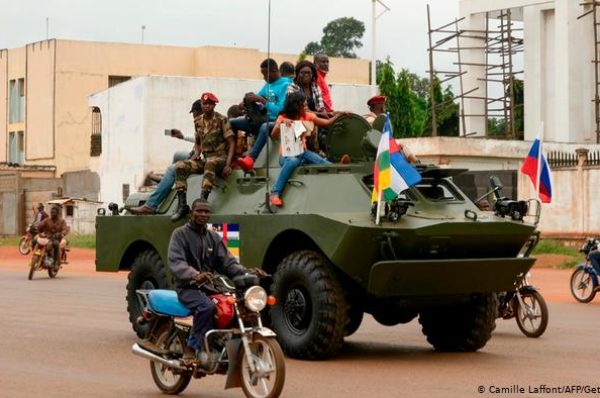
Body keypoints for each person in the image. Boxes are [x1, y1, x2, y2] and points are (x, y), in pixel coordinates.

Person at [167, 199, 266, 365]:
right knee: (207, 307)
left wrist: (248, 272)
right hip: (187, 287)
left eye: (207, 212)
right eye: (199, 211)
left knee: (235, 306)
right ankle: (191, 349)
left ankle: (219, 345)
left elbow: (228, 263)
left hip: (209, 286)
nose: (203, 215)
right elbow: (176, 262)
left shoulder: (213, 237)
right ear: (192, 213)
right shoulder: (180, 234)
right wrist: (194, 275)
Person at [129, 99, 203, 215]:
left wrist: (194, 157)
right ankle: (165, 181)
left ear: (199, 112)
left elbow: (208, 145)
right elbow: (198, 141)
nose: (193, 117)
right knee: (178, 155)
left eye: (194, 113)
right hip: (196, 154)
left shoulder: (208, 124)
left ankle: (151, 205)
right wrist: (182, 136)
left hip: (204, 159)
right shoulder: (202, 124)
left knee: (172, 169)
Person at [269, 92, 342, 207]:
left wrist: (340, 115)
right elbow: (273, 135)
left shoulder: (307, 115)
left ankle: (341, 168)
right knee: (293, 161)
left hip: (302, 153)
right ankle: (274, 193)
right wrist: (281, 123)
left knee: (321, 161)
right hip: (286, 156)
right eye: (304, 105)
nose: (306, 107)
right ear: (296, 106)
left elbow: (326, 123)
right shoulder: (283, 117)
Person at [171, 92, 236, 222]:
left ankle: (202, 203)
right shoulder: (197, 121)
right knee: (180, 166)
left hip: (220, 158)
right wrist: (196, 153)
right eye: (204, 103)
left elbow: (231, 142)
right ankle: (183, 206)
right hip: (205, 158)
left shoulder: (221, 120)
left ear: (213, 105)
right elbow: (198, 142)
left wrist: (228, 164)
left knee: (210, 163)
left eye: (208, 104)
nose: (206, 106)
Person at [232, 58, 291, 171]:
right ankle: (234, 158)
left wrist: (264, 101)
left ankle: (250, 159)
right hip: (261, 119)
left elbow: (280, 111)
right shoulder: (268, 85)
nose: (264, 78)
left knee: (265, 126)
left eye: (265, 74)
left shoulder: (286, 85)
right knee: (231, 123)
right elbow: (257, 97)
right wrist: (245, 103)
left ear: (274, 70)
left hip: (276, 121)